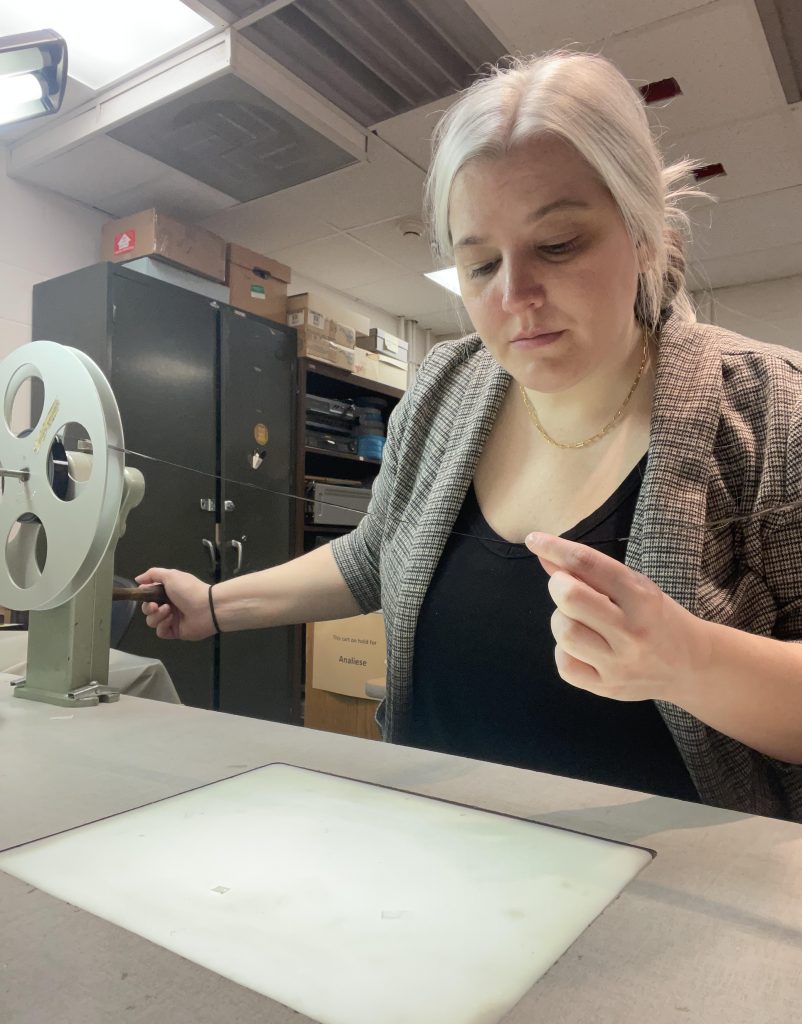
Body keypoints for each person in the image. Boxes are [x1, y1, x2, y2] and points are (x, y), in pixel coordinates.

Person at [139, 51, 802, 821]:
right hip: (438, 860)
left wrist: (690, 661)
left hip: (672, 901)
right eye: (480, 263)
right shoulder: (445, 389)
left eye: (558, 246)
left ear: (645, 233)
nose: (516, 297)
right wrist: (214, 605)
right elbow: (376, 551)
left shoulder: (769, 412)